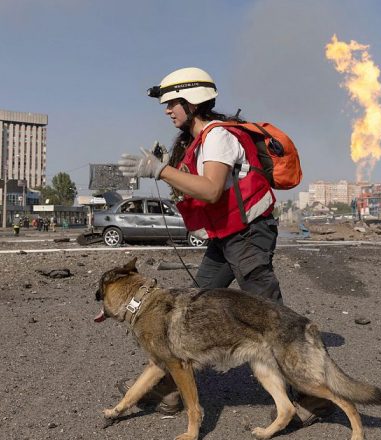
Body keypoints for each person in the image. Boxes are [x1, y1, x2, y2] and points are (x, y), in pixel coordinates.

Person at [118, 67, 332, 424]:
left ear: (193, 101)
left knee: (272, 317)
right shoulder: (199, 140)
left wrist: (159, 171)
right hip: (226, 237)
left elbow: (212, 189)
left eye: (172, 103)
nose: (167, 110)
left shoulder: (218, 137)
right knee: (187, 311)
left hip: (248, 235)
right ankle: (169, 387)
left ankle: (315, 395)